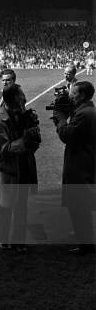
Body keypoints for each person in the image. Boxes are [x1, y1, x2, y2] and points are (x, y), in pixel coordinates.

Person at [0, 85, 40, 252]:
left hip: (24, 167)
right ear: (12, 100)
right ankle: (3, 240)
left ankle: (19, 242)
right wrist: (26, 140)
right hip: (8, 171)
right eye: (21, 96)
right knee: (6, 207)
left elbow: (34, 143)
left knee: (21, 207)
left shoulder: (22, 115)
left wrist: (33, 135)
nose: (24, 99)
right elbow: (4, 149)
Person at [53, 81, 96, 255]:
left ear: (83, 95)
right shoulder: (88, 111)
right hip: (87, 163)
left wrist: (61, 119)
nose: (70, 96)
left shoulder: (84, 114)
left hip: (79, 166)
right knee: (82, 206)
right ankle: (85, 239)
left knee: (79, 207)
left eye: (74, 93)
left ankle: (86, 245)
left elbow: (67, 135)